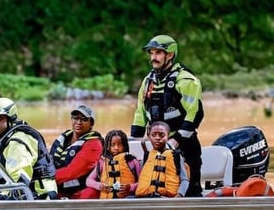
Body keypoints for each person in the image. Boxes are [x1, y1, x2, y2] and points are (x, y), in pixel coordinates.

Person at [130, 34, 204, 197]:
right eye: (151, 53)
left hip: (184, 144)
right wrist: (133, 141)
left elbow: (195, 114)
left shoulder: (185, 80)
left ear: (170, 55)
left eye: (158, 53)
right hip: (156, 143)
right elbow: (140, 112)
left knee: (190, 189)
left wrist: (175, 141)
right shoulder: (148, 81)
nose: (153, 57)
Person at [50, 104, 104, 199]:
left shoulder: (94, 144)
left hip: (80, 190)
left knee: (89, 194)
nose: (79, 122)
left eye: (84, 119)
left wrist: (46, 178)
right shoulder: (65, 138)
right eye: (75, 118)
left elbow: (72, 172)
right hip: (59, 187)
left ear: (91, 123)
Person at [135, 121, 190, 198]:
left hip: (167, 199)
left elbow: (184, 179)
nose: (157, 138)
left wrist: (179, 195)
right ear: (149, 137)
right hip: (146, 198)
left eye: (162, 135)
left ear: (168, 137)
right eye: (153, 135)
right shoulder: (147, 156)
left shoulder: (175, 156)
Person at [86, 129, 141, 198]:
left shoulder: (132, 161)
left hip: (127, 199)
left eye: (120, 145)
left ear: (125, 146)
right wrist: (100, 186)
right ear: (108, 147)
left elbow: (143, 182)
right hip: (107, 201)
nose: (116, 148)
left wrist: (130, 187)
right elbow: (89, 181)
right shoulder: (102, 162)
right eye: (113, 145)